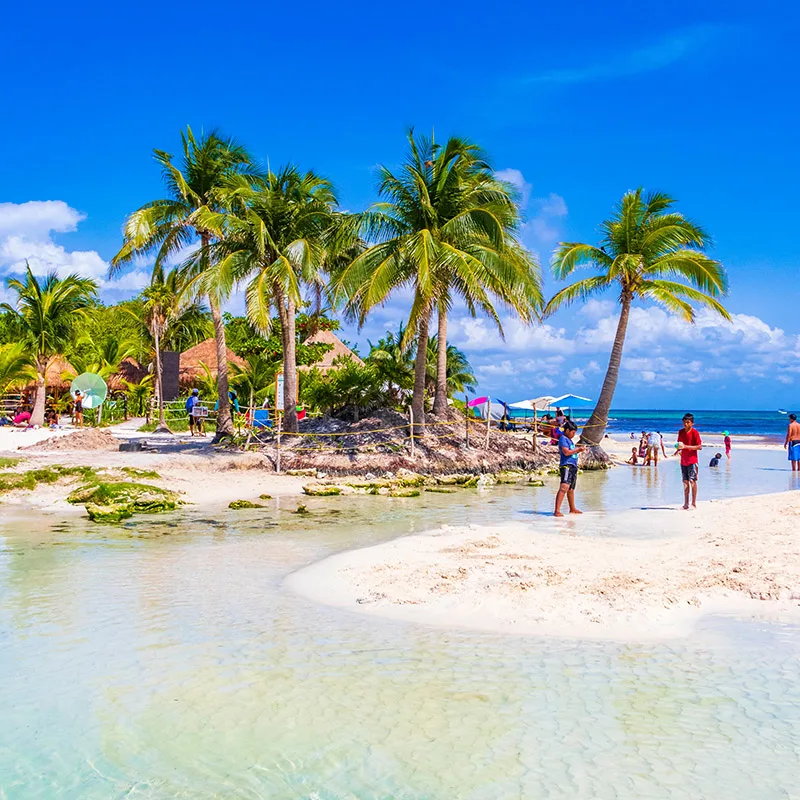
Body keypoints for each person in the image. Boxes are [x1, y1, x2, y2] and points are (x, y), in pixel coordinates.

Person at [554, 420, 586, 517]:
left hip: (573, 466)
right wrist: (578, 449)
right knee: (564, 487)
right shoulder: (563, 439)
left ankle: (572, 508)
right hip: (566, 465)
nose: (573, 434)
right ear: (567, 430)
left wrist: (579, 450)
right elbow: (566, 452)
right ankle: (557, 510)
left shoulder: (570, 440)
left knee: (571, 489)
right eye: (573, 432)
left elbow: (572, 452)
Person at [677, 413, 703, 509]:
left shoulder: (695, 433)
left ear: (692, 423)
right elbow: (679, 445)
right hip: (683, 461)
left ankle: (693, 503)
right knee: (685, 482)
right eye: (684, 422)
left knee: (692, 481)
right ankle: (686, 504)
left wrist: (686, 447)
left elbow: (699, 447)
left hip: (692, 461)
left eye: (688, 422)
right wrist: (679, 450)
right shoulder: (680, 432)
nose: (685, 424)